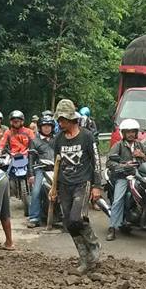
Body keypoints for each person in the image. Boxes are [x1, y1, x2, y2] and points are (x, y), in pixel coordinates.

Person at [50, 99, 101, 273]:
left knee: (76, 218)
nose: (60, 123)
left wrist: (97, 185)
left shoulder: (86, 136)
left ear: (71, 119)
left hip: (82, 182)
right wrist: (54, 188)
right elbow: (56, 165)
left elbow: (97, 161)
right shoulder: (58, 139)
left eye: (62, 120)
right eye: (59, 120)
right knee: (69, 223)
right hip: (64, 184)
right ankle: (84, 258)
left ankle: (93, 244)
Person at [105, 119, 146, 241]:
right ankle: (112, 227)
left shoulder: (140, 145)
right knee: (118, 199)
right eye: (128, 132)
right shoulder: (118, 145)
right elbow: (109, 162)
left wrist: (143, 156)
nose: (130, 134)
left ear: (136, 133)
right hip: (124, 177)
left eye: (133, 131)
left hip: (140, 175)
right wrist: (123, 165)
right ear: (123, 133)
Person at [27, 115, 57, 228]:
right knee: (36, 191)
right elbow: (30, 159)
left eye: (49, 126)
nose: (47, 128)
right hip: (40, 169)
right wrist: (30, 175)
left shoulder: (57, 139)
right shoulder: (34, 141)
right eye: (44, 126)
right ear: (40, 127)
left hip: (56, 169)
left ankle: (62, 215)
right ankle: (34, 217)